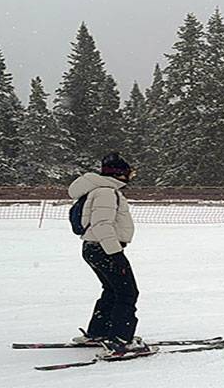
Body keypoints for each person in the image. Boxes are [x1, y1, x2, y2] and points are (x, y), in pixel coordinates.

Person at [67, 153, 152, 358]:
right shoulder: (106, 192)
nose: (131, 177)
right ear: (120, 174)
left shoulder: (100, 189)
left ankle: (99, 332)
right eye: (130, 173)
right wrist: (115, 253)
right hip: (104, 249)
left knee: (113, 290)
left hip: (94, 248)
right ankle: (121, 341)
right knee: (127, 293)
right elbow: (102, 224)